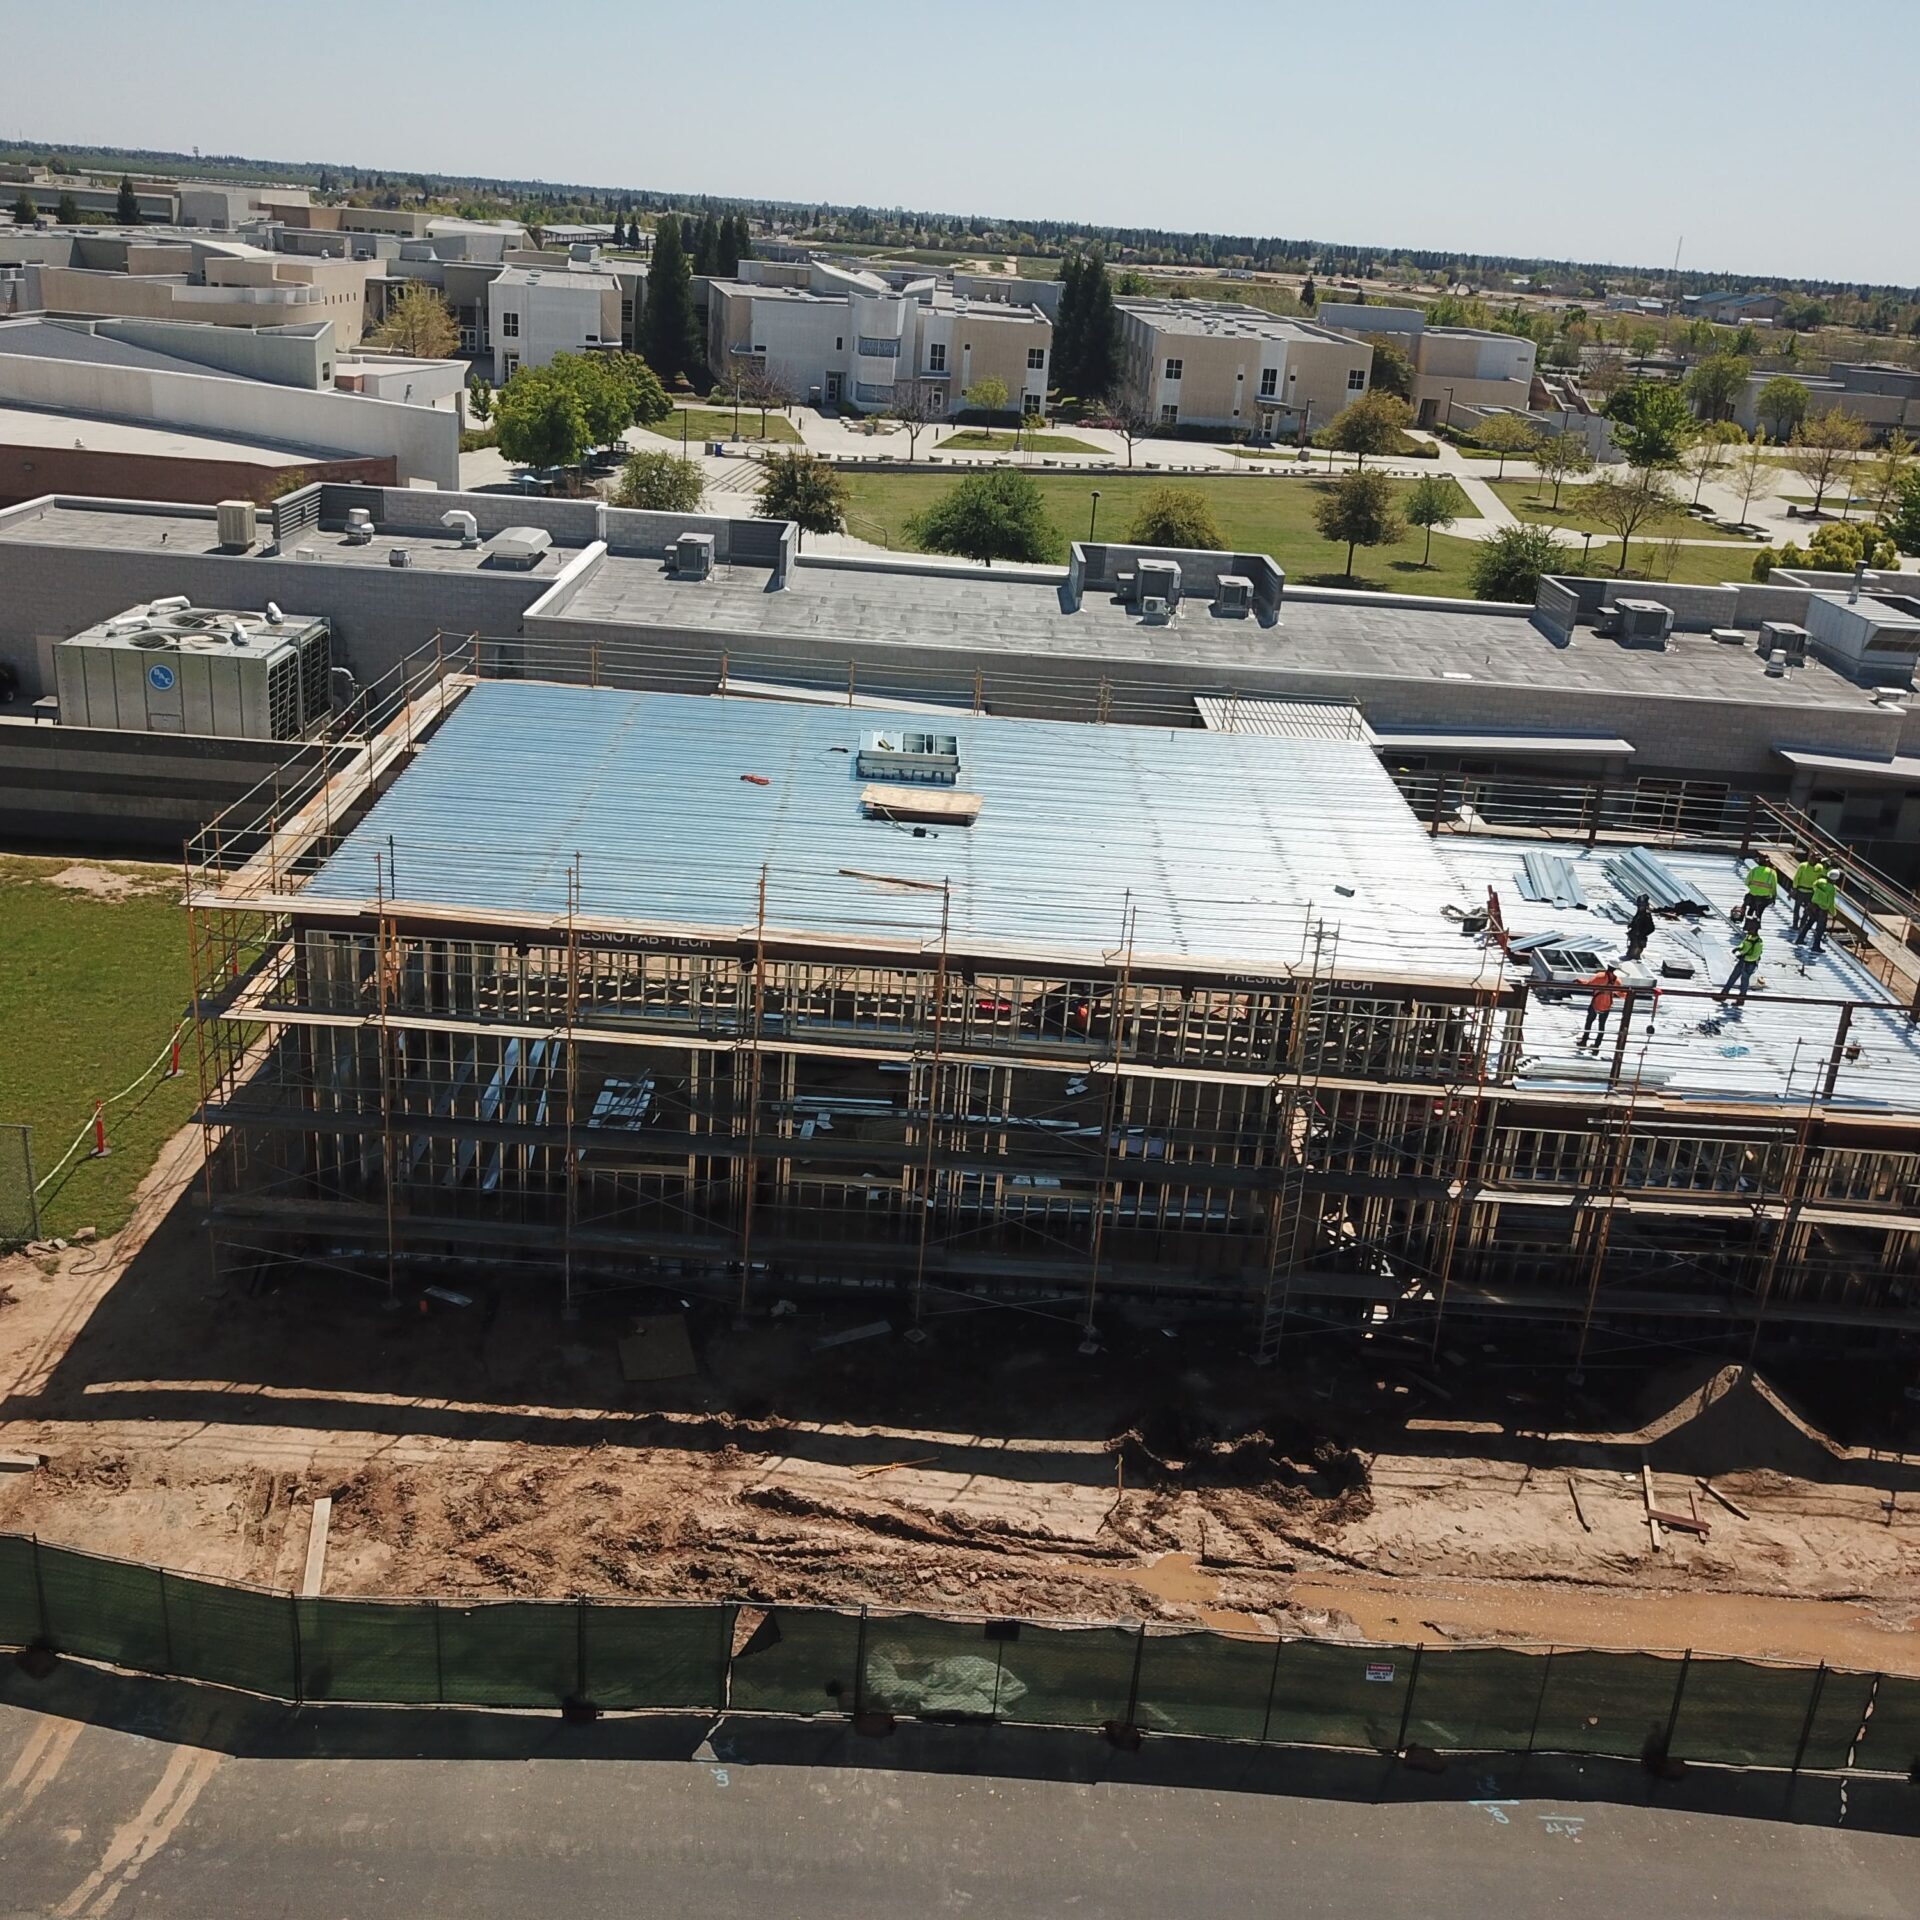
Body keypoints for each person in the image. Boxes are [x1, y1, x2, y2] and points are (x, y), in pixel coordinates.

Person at [1578, 965, 1621, 1050]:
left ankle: (1584, 1041)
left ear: (1608, 967)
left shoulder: (1600, 976)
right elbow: (1621, 994)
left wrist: (1579, 981)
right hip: (1607, 1005)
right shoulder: (1617, 981)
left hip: (1596, 1003)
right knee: (1601, 1025)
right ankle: (1597, 1046)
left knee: (1589, 1022)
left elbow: (1589, 984)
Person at [1718, 926, 1764, 1004]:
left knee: (1744, 981)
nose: (1749, 930)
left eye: (1751, 929)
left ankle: (1741, 999)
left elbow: (1754, 956)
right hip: (1742, 962)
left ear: (1755, 930)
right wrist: (1738, 948)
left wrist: (1744, 957)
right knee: (1732, 977)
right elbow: (1743, 944)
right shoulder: (1748, 937)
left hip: (1749, 965)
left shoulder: (1758, 943)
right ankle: (1723, 995)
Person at [1801, 867, 1838, 956]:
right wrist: (1834, 913)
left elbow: (1814, 886)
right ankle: (1816, 946)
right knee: (1820, 929)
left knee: (1809, 922)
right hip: (1822, 910)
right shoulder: (1832, 889)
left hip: (1813, 906)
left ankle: (1800, 938)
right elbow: (1831, 903)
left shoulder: (1820, 881)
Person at [1788, 854, 1825, 940]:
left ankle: (1802, 925)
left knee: (1808, 910)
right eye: (1812, 858)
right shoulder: (1803, 865)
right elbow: (1797, 877)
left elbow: (1822, 876)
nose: (1813, 860)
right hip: (1801, 890)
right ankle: (1795, 924)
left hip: (1811, 892)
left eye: (1815, 859)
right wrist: (1794, 888)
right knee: (1796, 908)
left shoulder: (1819, 867)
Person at [1740, 858, 1779, 927]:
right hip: (1764, 897)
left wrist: (1754, 888)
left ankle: (1746, 926)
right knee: (1759, 913)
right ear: (1768, 863)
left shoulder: (1754, 870)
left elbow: (1747, 882)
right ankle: (1755, 928)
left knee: (1750, 910)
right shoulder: (1772, 872)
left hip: (1753, 895)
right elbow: (1774, 887)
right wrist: (1774, 897)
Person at [1623, 894, 1656, 962]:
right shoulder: (1639, 913)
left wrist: (1642, 934)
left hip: (1639, 939)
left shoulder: (1647, 915)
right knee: (1630, 952)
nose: (1640, 907)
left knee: (1635, 955)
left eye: (1642, 905)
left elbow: (1651, 928)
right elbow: (1635, 921)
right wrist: (1631, 925)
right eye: (1639, 905)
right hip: (1634, 937)